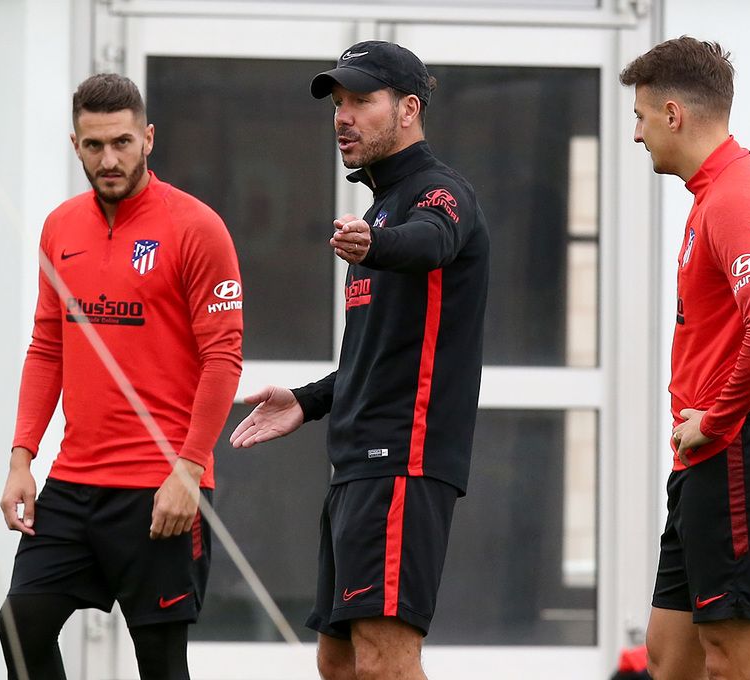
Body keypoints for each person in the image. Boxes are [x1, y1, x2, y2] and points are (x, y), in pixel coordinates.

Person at [230, 41, 489, 680]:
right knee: (339, 662)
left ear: (408, 109)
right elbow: (376, 358)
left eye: (361, 101)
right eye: (338, 103)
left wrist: (379, 244)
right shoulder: (379, 205)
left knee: (384, 663)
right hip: (358, 461)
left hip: (404, 458)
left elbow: (430, 241)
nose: (343, 116)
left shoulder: (437, 193)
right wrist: (309, 401)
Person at [0, 73, 243, 680]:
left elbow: (223, 358)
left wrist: (189, 470)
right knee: (19, 625)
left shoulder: (196, 227)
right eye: (94, 145)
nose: (110, 159)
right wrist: (22, 457)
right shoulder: (60, 228)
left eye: (123, 142)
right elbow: (47, 346)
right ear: (75, 145)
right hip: (74, 482)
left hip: (161, 486)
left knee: (160, 663)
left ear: (149, 139)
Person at [620, 37, 750, 680]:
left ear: (673, 114)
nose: (637, 135)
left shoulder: (732, 196)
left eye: (641, 117)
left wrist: (718, 419)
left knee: (732, 661)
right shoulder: (714, 193)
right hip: (710, 457)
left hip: (740, 447)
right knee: (670, 657)